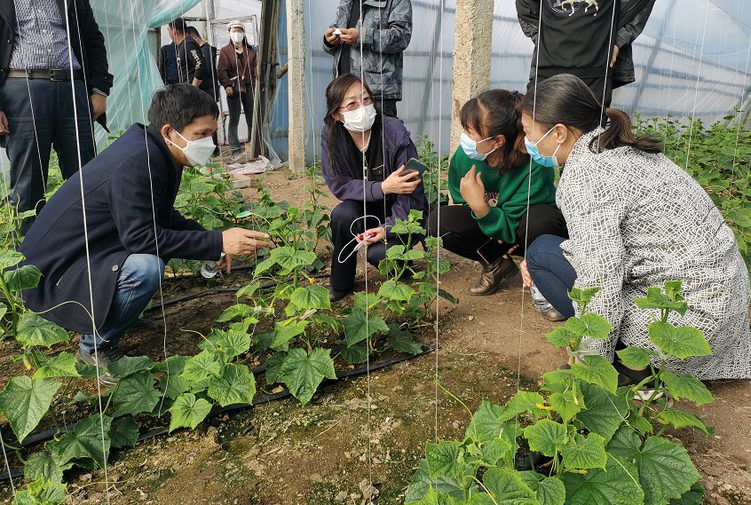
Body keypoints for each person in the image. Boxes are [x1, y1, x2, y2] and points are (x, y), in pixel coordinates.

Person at [18, 83, 273, 387]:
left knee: (150, 259)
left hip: (88, 252)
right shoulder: (137, 160)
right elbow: (142, 238)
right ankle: (93, 346)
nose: (210, 143)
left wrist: (213, 245)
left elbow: (164, 218)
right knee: (146, 268)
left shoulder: (159, 151)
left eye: (212, 133)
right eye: (201, 135)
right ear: (169, 131)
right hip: (51, 272)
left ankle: (113, 314)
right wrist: (218, 241)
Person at [519, 73, 751, 381]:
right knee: (556, 252)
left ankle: (631, 366)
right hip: (725, 308)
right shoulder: (620, 147)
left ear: (558, 132)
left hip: (683, 325)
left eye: (528, 132)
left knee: (541, 255)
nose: (527, 142)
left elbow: (600, 279)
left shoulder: (585, 175)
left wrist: (589, 363)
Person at [427, 90, 566, 311]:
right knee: (439, 221)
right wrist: (478, 209)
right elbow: (462, 204)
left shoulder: (533, 165)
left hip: (526, 234)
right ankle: (497, 264)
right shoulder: (463, 158)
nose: (464, 137)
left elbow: (513, 224)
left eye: (470, 131)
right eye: (464, 128)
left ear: (498, 140)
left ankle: (545, 281)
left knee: (541, 219)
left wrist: (481, 207)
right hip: (494, 228)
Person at [0, 0, 113, 236]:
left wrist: (99, 89)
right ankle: (28, 264)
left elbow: (92, 38)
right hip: (22, 87)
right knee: (27, 185)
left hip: (72, 87)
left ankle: (91, 253)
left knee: (86, 175)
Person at [321, 74, 428, 302]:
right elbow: (339, 183)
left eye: (366, 100)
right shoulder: (332, 134)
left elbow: (411, 194)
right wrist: (382, 187)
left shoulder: (394, 131)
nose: (363, 108)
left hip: (400, 214)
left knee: (381, 254)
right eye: (352, 104)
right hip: (366, 211)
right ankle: (340, 284)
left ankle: (402, 264)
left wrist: (387, 229)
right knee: (342, 214)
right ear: (337, 115)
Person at [516, 0, 655, 108]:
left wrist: (617, 40)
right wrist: (544, 37)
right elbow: (525, 7)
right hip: (547, 69)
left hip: (595, 71)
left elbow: (638, 4)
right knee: (543, 130)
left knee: (588, 134)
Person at [323, 0, 412, 118]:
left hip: (376, 92)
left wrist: (362, 36)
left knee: (382, 135)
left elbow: (401, 37)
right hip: (343, 90)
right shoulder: (346, 1)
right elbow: (337, 42)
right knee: (342, 135)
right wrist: (329, 42)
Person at [217, 20, 257, 162]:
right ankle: (235, 151)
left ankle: (254, 147)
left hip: (249, 87)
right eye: (234, 31)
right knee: (234, 120)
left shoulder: (251, 51)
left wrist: (257, 80)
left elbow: (256, 68)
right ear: (229, 32)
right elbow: (222, 70)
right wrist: (227, 85)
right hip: (233, 88)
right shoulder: (225, 51)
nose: (237, 33)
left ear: (243, 32)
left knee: (252, 118)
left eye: (239, 31)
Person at [185, 25, 221, 155]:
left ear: (194, 38)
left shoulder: (205, 50)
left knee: (209, 118)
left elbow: (203, 69)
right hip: (208, 90)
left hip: (207, 90)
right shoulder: (207, 50)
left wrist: (194, 86)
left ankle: (213, 148)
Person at [168, 18, 207, 90]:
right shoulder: (182, 45)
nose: (168, 33)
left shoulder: (188, 44)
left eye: (168, 30)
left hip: (194, 92)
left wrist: (193, 88)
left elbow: (200, 65)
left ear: (174, 31)